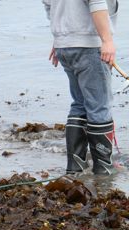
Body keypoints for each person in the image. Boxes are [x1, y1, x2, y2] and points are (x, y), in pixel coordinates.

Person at [42, 0, 119, 175]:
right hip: (88, 44)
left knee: (80, 104)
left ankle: (75, 167)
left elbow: (48, 4)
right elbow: (97, 2)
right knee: (99, 107)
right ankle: (103, 170)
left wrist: (60, 39)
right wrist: (107, 40)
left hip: (64, 45)